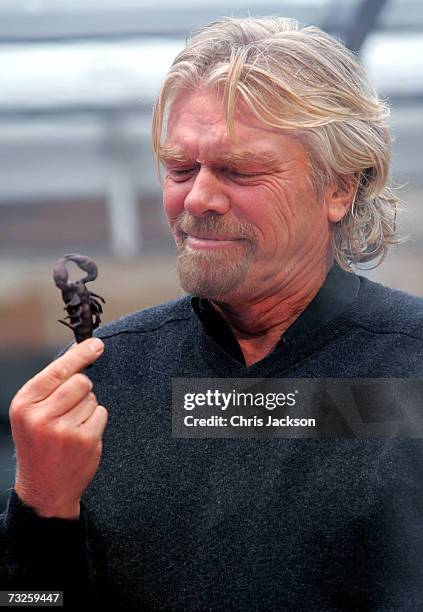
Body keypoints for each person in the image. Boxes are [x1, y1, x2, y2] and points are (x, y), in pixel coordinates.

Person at [2, 16, 423, 610]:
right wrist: (39, 505)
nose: (197, 198)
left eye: (240, 170)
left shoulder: (409, 364)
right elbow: (30, 602)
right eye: (180, 168)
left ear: (339, 188)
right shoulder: (104, 381)